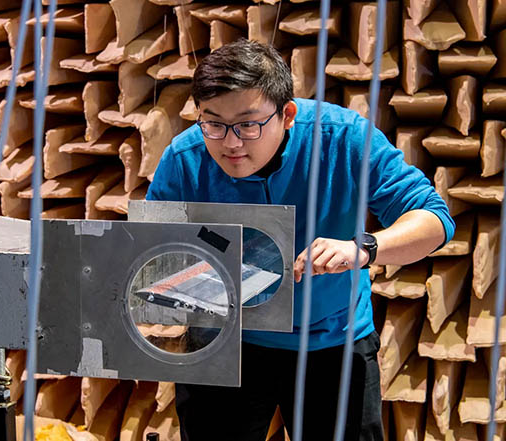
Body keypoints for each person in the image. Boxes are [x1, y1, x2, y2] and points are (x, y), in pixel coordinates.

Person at [145, 39, 454, 441]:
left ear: (287, 114)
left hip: (331, 344)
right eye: (213, 123)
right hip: (225, 343)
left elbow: (434, 218)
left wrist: (363, 248)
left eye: (248, 124)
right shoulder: (184, 157)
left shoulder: (343, 138)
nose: (231, 143)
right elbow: (150, 249)